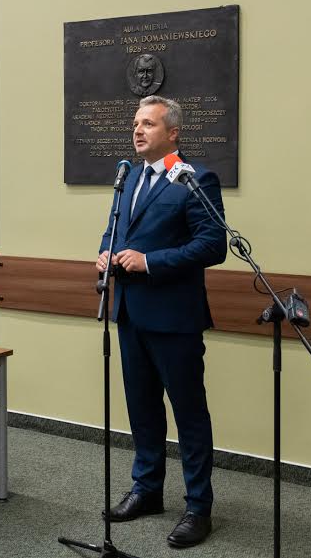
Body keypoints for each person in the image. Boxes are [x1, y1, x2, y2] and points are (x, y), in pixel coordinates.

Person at [96, 95, 226, 548]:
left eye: (148, 124)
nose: (137, 130)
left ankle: (198, 507)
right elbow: (115, 229)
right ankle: (147, 489)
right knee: (143, 408)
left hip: (174, 317)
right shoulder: (129, 177)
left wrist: (149, 262)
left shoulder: (195, 179)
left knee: (189, 414)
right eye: (136, 123)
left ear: (173, 133)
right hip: (130, 314)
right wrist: (106, 253)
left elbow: (212, 245)